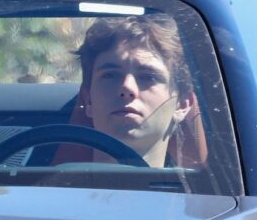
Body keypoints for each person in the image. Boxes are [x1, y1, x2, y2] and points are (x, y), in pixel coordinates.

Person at [72, 14, 199, 168]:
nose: (127, 87)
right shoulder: (47, 184)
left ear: (182, 104)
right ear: (88, 100)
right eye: (110, 75)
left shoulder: (212, 185)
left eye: (148, 77)